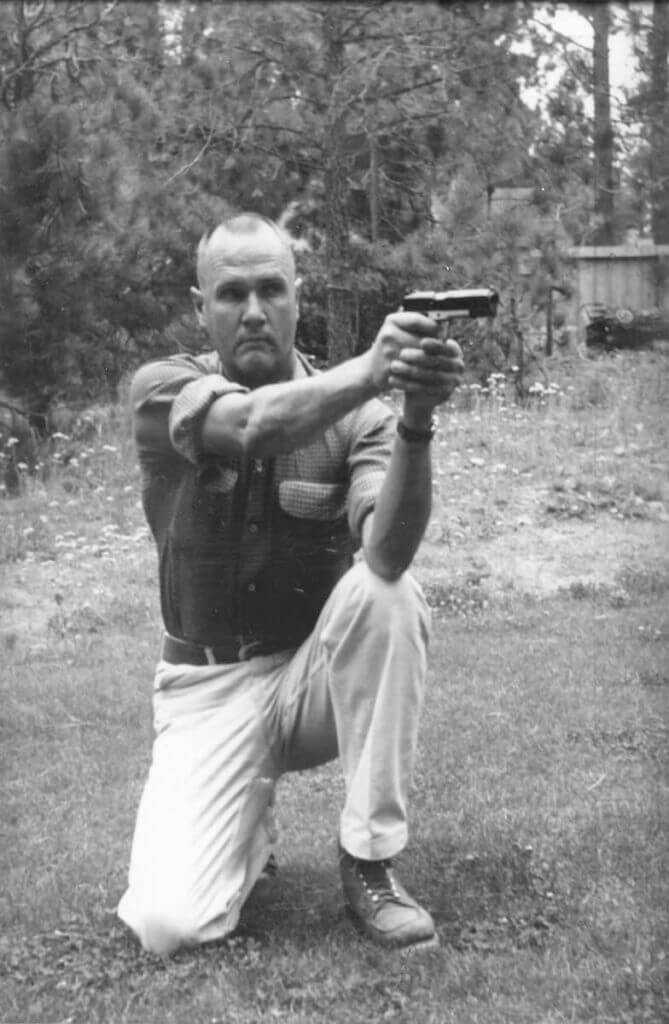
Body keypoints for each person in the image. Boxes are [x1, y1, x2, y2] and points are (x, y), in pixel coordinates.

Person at [118, 212, 464, 956]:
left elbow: (388, 551)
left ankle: (369, 861)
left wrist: (415, 417)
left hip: (310, 682)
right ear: (200, 307)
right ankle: (246, 830)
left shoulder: (362, 417)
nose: (253, 311)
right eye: (230, 293)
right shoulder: (161, 390)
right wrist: (373, 369)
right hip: (205, 689)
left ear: (298, 299)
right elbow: (249, 427)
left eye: (271, 289)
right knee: (167, 926)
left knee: (387, 593)